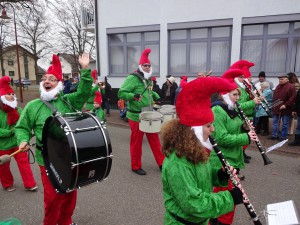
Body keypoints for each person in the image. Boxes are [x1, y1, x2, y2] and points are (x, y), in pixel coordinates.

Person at [15, 53, 92, 225]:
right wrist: (23, 139)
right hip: (47, 159)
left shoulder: (69, 101)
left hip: (69, 157)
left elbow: (85, 91)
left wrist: (85, 69)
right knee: (52, 198)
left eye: (52, 79)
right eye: (45, 78)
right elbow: (22, 127)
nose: (47, 81)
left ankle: (65, 221)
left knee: (70, 192)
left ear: (59, 84)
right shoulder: (32, 106)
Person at [161, 76, 244, 225]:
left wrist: (220, 175)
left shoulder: (194, 149)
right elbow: (194, 204)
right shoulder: (178, 162)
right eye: (208, 126)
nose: (213, 129)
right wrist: (230, 198)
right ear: (193, 130)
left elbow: (201, 176)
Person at [210, 69, 258, 225]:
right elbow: (220, 138)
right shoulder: (217, 110)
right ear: (224, 95)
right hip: (222, 160)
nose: (238, 98)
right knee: (226, 198)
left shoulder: (232, 108)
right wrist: (245, 137)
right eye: (234, 95)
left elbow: (234, 129)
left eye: (238, 95)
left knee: (228, 198)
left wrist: (244, 128)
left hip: (233, 158)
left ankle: (220, 221)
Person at [118, 48, 164, 175]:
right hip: (136, 116)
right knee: (136, 142)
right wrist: (133, 96)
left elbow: (149, 91)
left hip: (148, 113)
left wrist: (156, 97)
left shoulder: (148, 79)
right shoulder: (132, 78)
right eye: (145, 65)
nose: (148, 67)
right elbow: (121, 92)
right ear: (140, 66)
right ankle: (135, 165)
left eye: (149, 65)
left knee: (155, 140)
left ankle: (162, 163)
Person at [0, 76, 37, 192]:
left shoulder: (18, 110)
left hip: (18, 142)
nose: (11, 95)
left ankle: (30, 184)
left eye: (12, 93)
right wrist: (10, 132)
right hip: (3, 144)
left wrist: (29, 134)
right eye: (8, 94)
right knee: (4, 166)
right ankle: (7, 184)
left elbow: (25, 124)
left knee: (24, 163)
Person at [231, 60, 260, 163]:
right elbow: (237, 106)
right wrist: (253, 102)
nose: (244, 79)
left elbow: (247, 102)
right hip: (240, 117)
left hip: (248, 115)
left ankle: (242, 153)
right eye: (241, 77)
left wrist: (254, 97)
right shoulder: (236, 89)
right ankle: (240, 154)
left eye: (245, 77)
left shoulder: (244, 88)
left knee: (247, 137)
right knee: (243, 137)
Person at [268, 74, 296, 141]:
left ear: (287, 79)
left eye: (282, 79)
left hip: (286, 109)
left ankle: (283, 136)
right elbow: (275, 96)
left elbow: (292, 98)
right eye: (279, 79)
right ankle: (275, 135)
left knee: (285, 124)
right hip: (276, 108)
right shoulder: (278, 86)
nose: (280, 80)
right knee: (275, 123)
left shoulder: (291, 87)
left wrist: (285, 105)